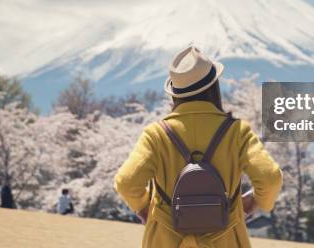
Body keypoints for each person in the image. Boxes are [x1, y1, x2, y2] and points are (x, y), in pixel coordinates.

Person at [115, 46, 283, 248]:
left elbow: (126, 182)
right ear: (214, 87)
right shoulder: (237, 132)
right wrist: (254, 203)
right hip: (225, 240)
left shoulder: (156, 134)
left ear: (175, 94)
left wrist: (144, 209)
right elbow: (271, 178)